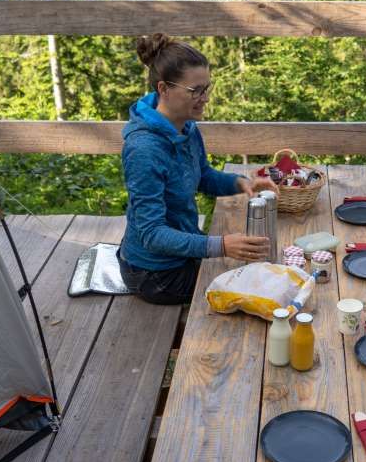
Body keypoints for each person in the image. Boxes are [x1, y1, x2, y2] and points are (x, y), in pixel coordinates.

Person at [118, 34, 276, 305]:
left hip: (183, 253)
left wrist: (241, 183)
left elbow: (202, 176)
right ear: (163, 89)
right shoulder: (144, 150)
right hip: (154, 274)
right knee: (255, 287)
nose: (205, 98)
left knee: (260, 273)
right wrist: (222, 245)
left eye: (207, 88)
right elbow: (151, 233)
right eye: (196, 91)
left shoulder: (187, 128)